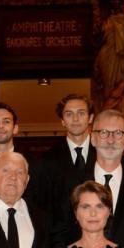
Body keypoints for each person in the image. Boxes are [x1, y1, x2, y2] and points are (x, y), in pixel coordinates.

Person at [56, 109, 124, 248]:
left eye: (118, 133)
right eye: (104, 133)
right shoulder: (70, 183)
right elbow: (59, 233)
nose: (111, 140)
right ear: (92, 138)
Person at [35, 94, 95, 236]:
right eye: (69, 114)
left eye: (81, 113)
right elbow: (44, 208)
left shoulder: (104, 153)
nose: (75, 119)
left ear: (90, 118)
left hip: (101, 238)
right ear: (62, 120)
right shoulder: (47, 160)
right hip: (60, 241)